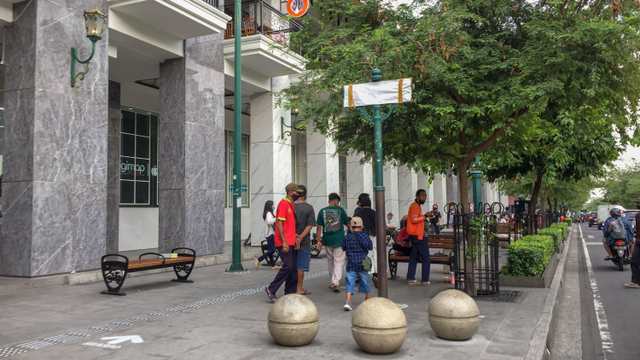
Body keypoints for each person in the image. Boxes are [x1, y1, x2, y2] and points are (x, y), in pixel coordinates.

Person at [265, 183, 303, 302]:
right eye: (297, 192)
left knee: (293, 268)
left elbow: (289, 225)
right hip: (284, 242)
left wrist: (295, 238)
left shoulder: (290, 205)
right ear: (291, 192)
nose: (299, 194)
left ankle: (289, 293)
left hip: (290, 240)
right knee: (288, 266)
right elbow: (279, 224)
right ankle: (271, 289)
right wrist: (285, 242)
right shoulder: (283, 204)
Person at [317, 193, 350, 292]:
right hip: (339, 239)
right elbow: (348, 223)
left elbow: (319, 227)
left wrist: (318, 240)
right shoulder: (341, 210)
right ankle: (336, 282)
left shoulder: (322, 211)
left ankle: (332, 282)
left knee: (330, 261)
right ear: (336, 201)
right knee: (339, 261)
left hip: (327, 239)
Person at [342, 217, 373, 311]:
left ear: (351, 227)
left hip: (351, 262)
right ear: (362, 226)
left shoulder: (347, 237)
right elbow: (370, 247)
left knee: (350, 281)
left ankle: (348, 301)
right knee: (365, 279)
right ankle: (367, 297)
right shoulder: (365, 236)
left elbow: (343, 248)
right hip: (363, 262)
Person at [406, 189, 431, 286]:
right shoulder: (415, 206)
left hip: (414, 234)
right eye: (423, 195)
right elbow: (414, 219)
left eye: (425, 196)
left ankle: (411, 278)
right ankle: (425, 280)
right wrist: (425, 216)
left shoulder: (415, 206)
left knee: (414, 257)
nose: (424, 197)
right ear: (417, 196)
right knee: (426, 258)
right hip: (419, 235)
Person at [294, 185, 315, 295]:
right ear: (305, 194)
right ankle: (299, 288)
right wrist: (300, 237)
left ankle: (291, 287)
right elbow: (310, 225)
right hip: (304, 241)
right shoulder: (309, 208)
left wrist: (294, 236)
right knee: (301, 266)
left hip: (290, 240)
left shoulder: (290, 206)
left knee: (291, 265)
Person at [359, 196, 379, 287]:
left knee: (364, 254)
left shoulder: (358, 213)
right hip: (373, 235)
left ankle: (365, 273)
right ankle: (375, 272)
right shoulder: (374, 213)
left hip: (361, 236)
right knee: (374, 253)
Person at [255, 200, 280, 270]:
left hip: (269, 233)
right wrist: (277, 218)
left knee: (270, 249)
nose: (273, 207)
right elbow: (269, 222)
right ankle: (259, 259)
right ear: (270, 206)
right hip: (270, 234)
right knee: (272, 249)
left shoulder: (269, 213)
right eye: (273, 205)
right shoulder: (268, 213)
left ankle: (273, 265)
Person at [624, 198, 640, 289]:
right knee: (634, 260)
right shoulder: (637, 215)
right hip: (638, 242)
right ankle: (635, 281)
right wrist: (634, 236)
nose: (638, 204)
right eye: (638, 203)